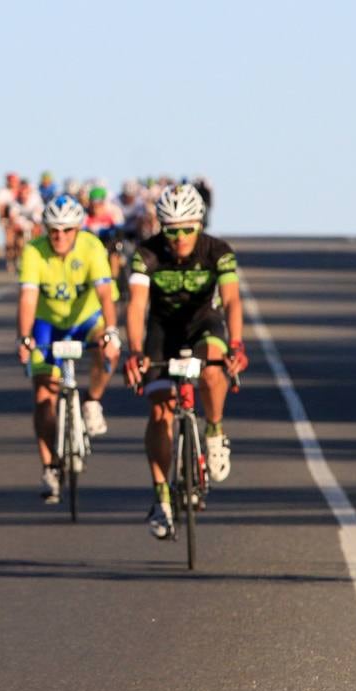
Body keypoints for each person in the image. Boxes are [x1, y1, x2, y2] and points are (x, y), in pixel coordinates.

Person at [123, 183, 248, 539]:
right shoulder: (146, 254)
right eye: (171, 230)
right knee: (160, 410)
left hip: (203, 323)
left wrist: (236, 345)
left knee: (213, 367)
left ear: (200, 225)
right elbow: (135, 305)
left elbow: (233, 301)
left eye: (187, 229)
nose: (179, 238)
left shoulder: (218, 251)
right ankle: (162, 495)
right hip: (163, 329)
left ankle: (215, 430)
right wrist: (134, 351)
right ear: (161, 227)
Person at [16, 194, 121, 502]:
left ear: (78, 229)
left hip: (86, 318)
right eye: (54, 231)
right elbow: (27, 299)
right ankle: (50, 467)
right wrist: (24, 337)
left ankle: (93, 401)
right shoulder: (34, 251)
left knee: (108, 349)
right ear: (46, 231)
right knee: (43, 396)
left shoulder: (91, 247)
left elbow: (105, 293)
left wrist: (112, 331)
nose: (59, 236)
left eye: (67, 230)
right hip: (48, 323)